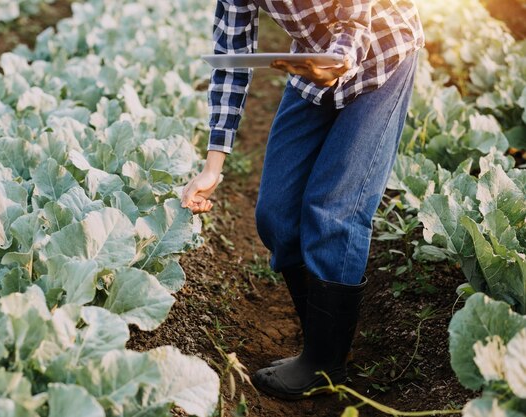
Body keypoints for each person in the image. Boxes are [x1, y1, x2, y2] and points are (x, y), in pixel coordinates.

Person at [181, 0, 425, 401]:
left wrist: (341, 59)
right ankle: (317, 346)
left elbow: (356, 11)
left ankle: (325, 364)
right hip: (315, 62)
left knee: (334, 210)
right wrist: (212, 167)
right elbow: (230, 60)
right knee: (276, 214)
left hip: (381, 50)